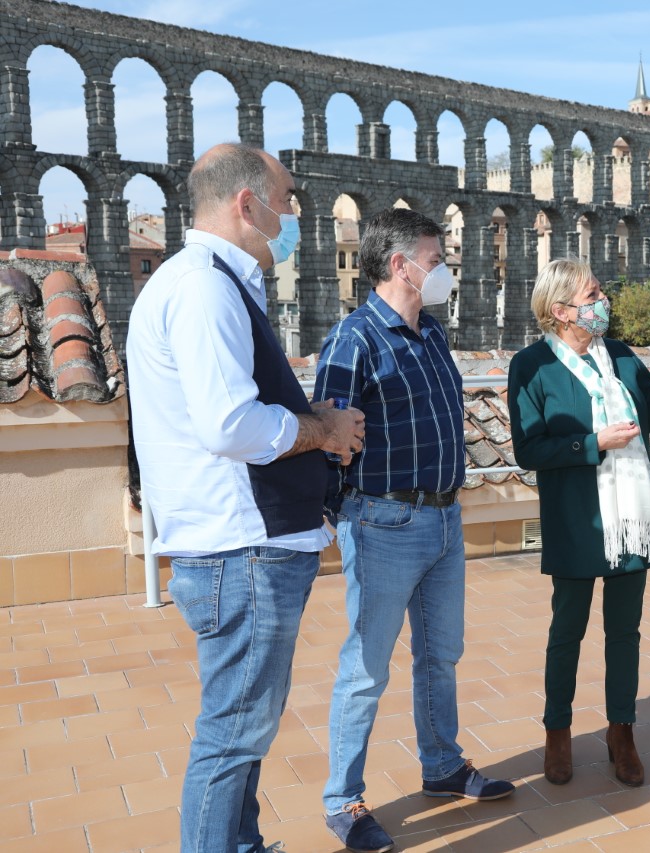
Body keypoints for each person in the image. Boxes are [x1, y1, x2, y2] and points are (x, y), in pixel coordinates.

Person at [127, 142, 366, 853]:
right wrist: (323, 427)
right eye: (286, 199)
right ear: (247, 203)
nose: (291, 213)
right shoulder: (203, 287)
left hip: (241, 547)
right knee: (232, 737)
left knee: (244, 728)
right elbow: (229, 423)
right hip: (242, 547)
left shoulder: (206, 281)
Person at [313, 207, 513, 853]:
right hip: (385, 521)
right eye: (435, 256)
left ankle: (441, 765)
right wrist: (342, 516)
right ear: (400, 264)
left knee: (441, 654)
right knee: (366, 668)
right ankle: (343, 799)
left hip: (445, 516)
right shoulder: (354, 339)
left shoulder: (429, 334)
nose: (443, 267)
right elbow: (329, 438)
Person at [508, 257, 650, 788]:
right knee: (566, 631)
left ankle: (622, 732)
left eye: (599, 293)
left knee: (625, 633)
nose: (603, 303)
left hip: (632, 520)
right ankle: (558, 732)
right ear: (561, 310)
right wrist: (592, 443)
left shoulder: (619, 356)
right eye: (592, 295)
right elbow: (529, 450)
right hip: (577, 520)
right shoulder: (531, 367)